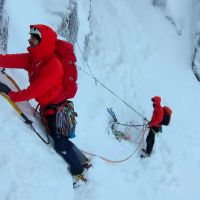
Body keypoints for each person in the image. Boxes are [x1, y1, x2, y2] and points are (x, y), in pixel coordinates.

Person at [0, 24, 90, 183]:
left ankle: (78, 172)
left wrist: (10, 94)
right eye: (30, 37)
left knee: (60, 145)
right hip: (49, 108)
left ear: (43, 42)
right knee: (59, 138)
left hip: (57, 110)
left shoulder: (53, 65)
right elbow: (11, 59)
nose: (29, 40)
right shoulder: (35, 59)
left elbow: (33, 91)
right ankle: (80, 158)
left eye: (33, 38)